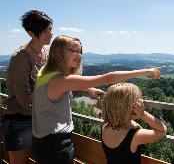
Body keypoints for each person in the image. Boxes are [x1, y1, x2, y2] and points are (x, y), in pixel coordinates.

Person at [31, 35, 162, 164]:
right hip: (55, 146)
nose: (79, 55)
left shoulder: (45, 73)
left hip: (40, 141)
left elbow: (66, 85)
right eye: (74, 51)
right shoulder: (60, 80)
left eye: (80, 51)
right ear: (59, 52)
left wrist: (89, 89)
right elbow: (108, 79)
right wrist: (146, 71)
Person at [3, 10, 53, 164]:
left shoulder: (46, 52)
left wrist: (87, 89)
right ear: (31, 33)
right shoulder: (20, 58)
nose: (50, 34)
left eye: (50, 29)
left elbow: (59, 79)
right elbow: (24, 101)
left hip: (40, 118)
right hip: (20, 120)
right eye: (45, 31)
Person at [101, 83, 167, 164]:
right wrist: (143, 114)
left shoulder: (104, 127)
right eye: (136, 102)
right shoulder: (135, 135)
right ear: (129, 108)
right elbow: (162, 131)